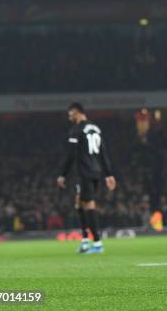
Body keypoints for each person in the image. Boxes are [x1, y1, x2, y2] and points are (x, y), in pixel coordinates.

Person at [57, 102, 116, 254]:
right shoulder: (95, 128)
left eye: (70, 114)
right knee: (79, 203)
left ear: (77, 112)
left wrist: (63, 174)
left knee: (88, 205)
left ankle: (97, 243)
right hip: (96, 172)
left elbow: (71, 154)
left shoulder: (76, 130)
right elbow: (103, 153)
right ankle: (85, 240)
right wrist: (108, 174)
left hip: (85, 172)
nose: (69, 117)